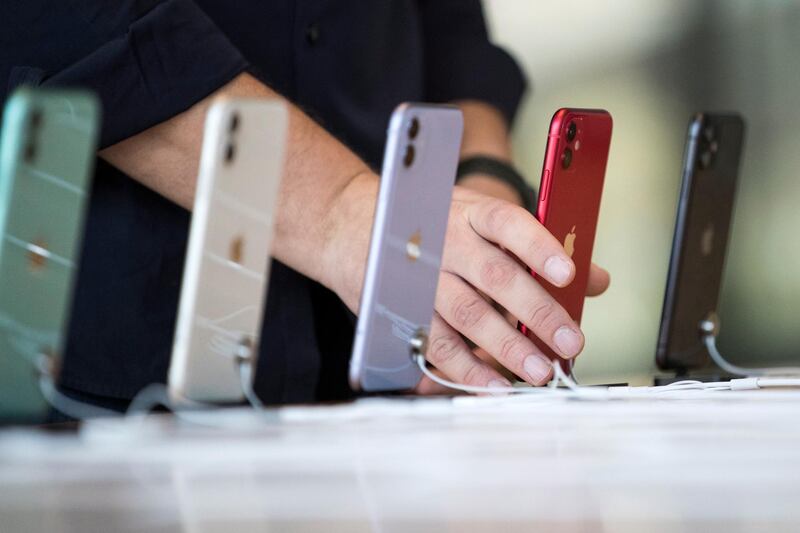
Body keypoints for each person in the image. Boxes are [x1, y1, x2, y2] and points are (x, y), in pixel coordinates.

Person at [1, 0, 609, 409]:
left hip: (396, 392)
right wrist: (344, 215)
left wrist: (484, 194)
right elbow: (65, 19)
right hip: (108, 385)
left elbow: (451, 30)